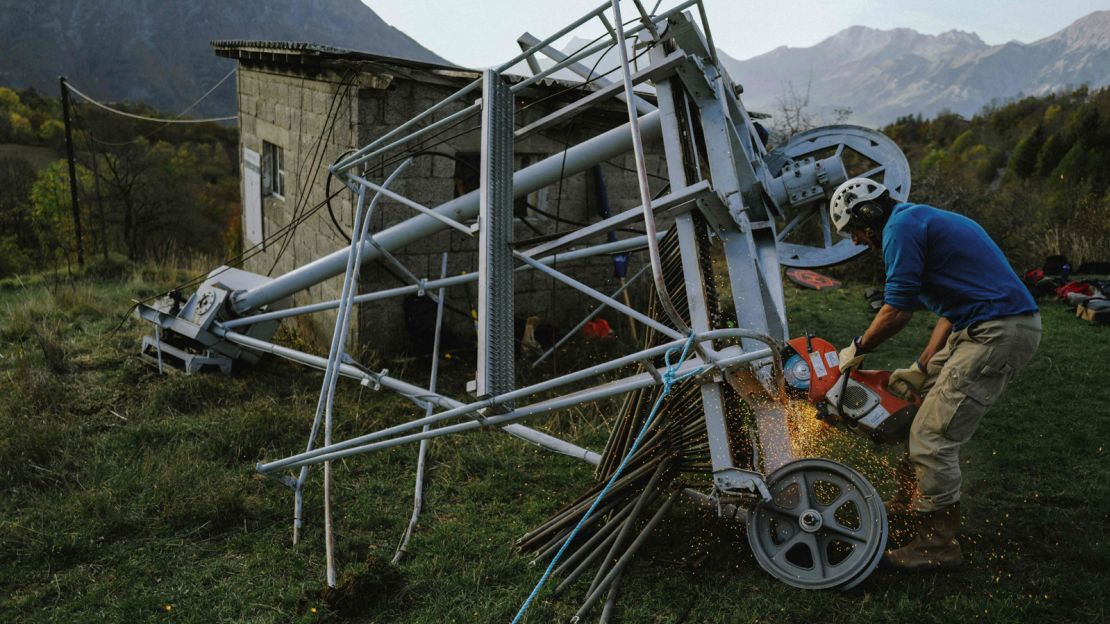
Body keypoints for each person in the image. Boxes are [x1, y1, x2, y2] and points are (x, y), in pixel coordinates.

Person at [829, 178, 1041, 571]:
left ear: (867, 214)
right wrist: (921, 367)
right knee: (917, 415)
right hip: (976, 324)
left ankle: (937, 544)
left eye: (855, 231)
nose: (858, 241)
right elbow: (950, 308)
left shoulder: (899, 228)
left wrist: (857, 349)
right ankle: (910, 505)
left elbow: (896, 311)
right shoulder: (916, 220)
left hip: (997, 330)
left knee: (932, 436)